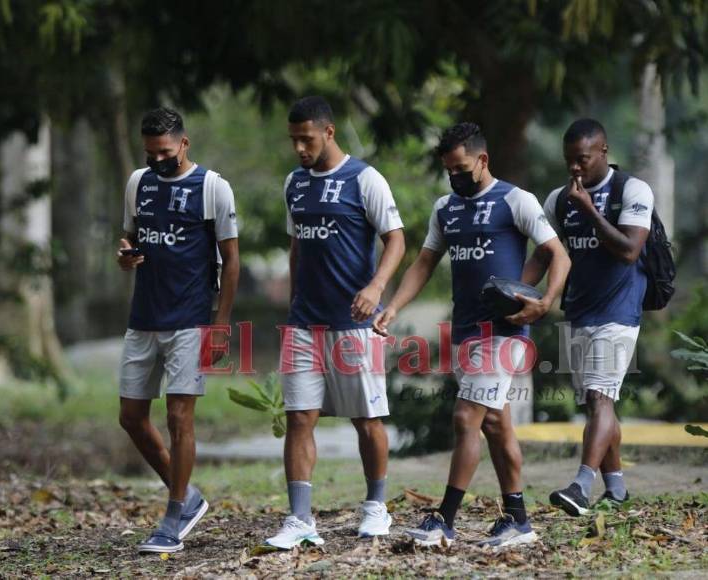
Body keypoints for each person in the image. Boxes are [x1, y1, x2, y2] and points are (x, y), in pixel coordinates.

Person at [373, 122, 571, 547]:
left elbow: (558, 254)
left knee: (465, 418)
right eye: (449, 171)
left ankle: (443, 519)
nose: (455, 177)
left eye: (462, 169)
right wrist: (393, 306)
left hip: (503, 331)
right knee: (496, 424)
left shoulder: (515, 200)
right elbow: (424, 263)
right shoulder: (446, 208)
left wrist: (544, 301)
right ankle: (518, 520)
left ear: (483, 160)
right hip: (465, 331)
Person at [264, 96, 405, 549]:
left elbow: (397, 241)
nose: (299, 148)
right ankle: (300, 519)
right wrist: (291, 299)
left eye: (306, 139)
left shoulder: (364, 178)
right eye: (293, 141)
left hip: (354, 324)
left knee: (366, 419)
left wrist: (377, 288)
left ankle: (376, 507)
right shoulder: (294, 183)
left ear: (329, 132)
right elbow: (297, 247)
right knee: (299, 418)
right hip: (305, 321)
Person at [116, 107, 240, 553]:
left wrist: (221, 324)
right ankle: (187, 495)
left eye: (164, 152)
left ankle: (172, 519)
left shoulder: (212, 187)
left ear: (183, 145)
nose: (156, 161)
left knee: (179, 416)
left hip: (190, 319)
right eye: (150, 153)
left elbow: (231, 259)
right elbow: (129, 236)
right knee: (131, 417)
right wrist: (125, 254)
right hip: (143, 316)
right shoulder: (138, 183)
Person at [543, 119, 653, 515]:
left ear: (603, 152)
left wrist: (589, 211)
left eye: (583, 160)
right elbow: (545, 254)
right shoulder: (557, 200)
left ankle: (580, 485)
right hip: (579, 312)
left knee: (600, 397)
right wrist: (521, 295)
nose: (575, 168)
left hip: (619, 312)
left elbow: (628, 250)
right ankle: (618, 489)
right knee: (597, 406)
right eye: (569, 161)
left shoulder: (632, 190)